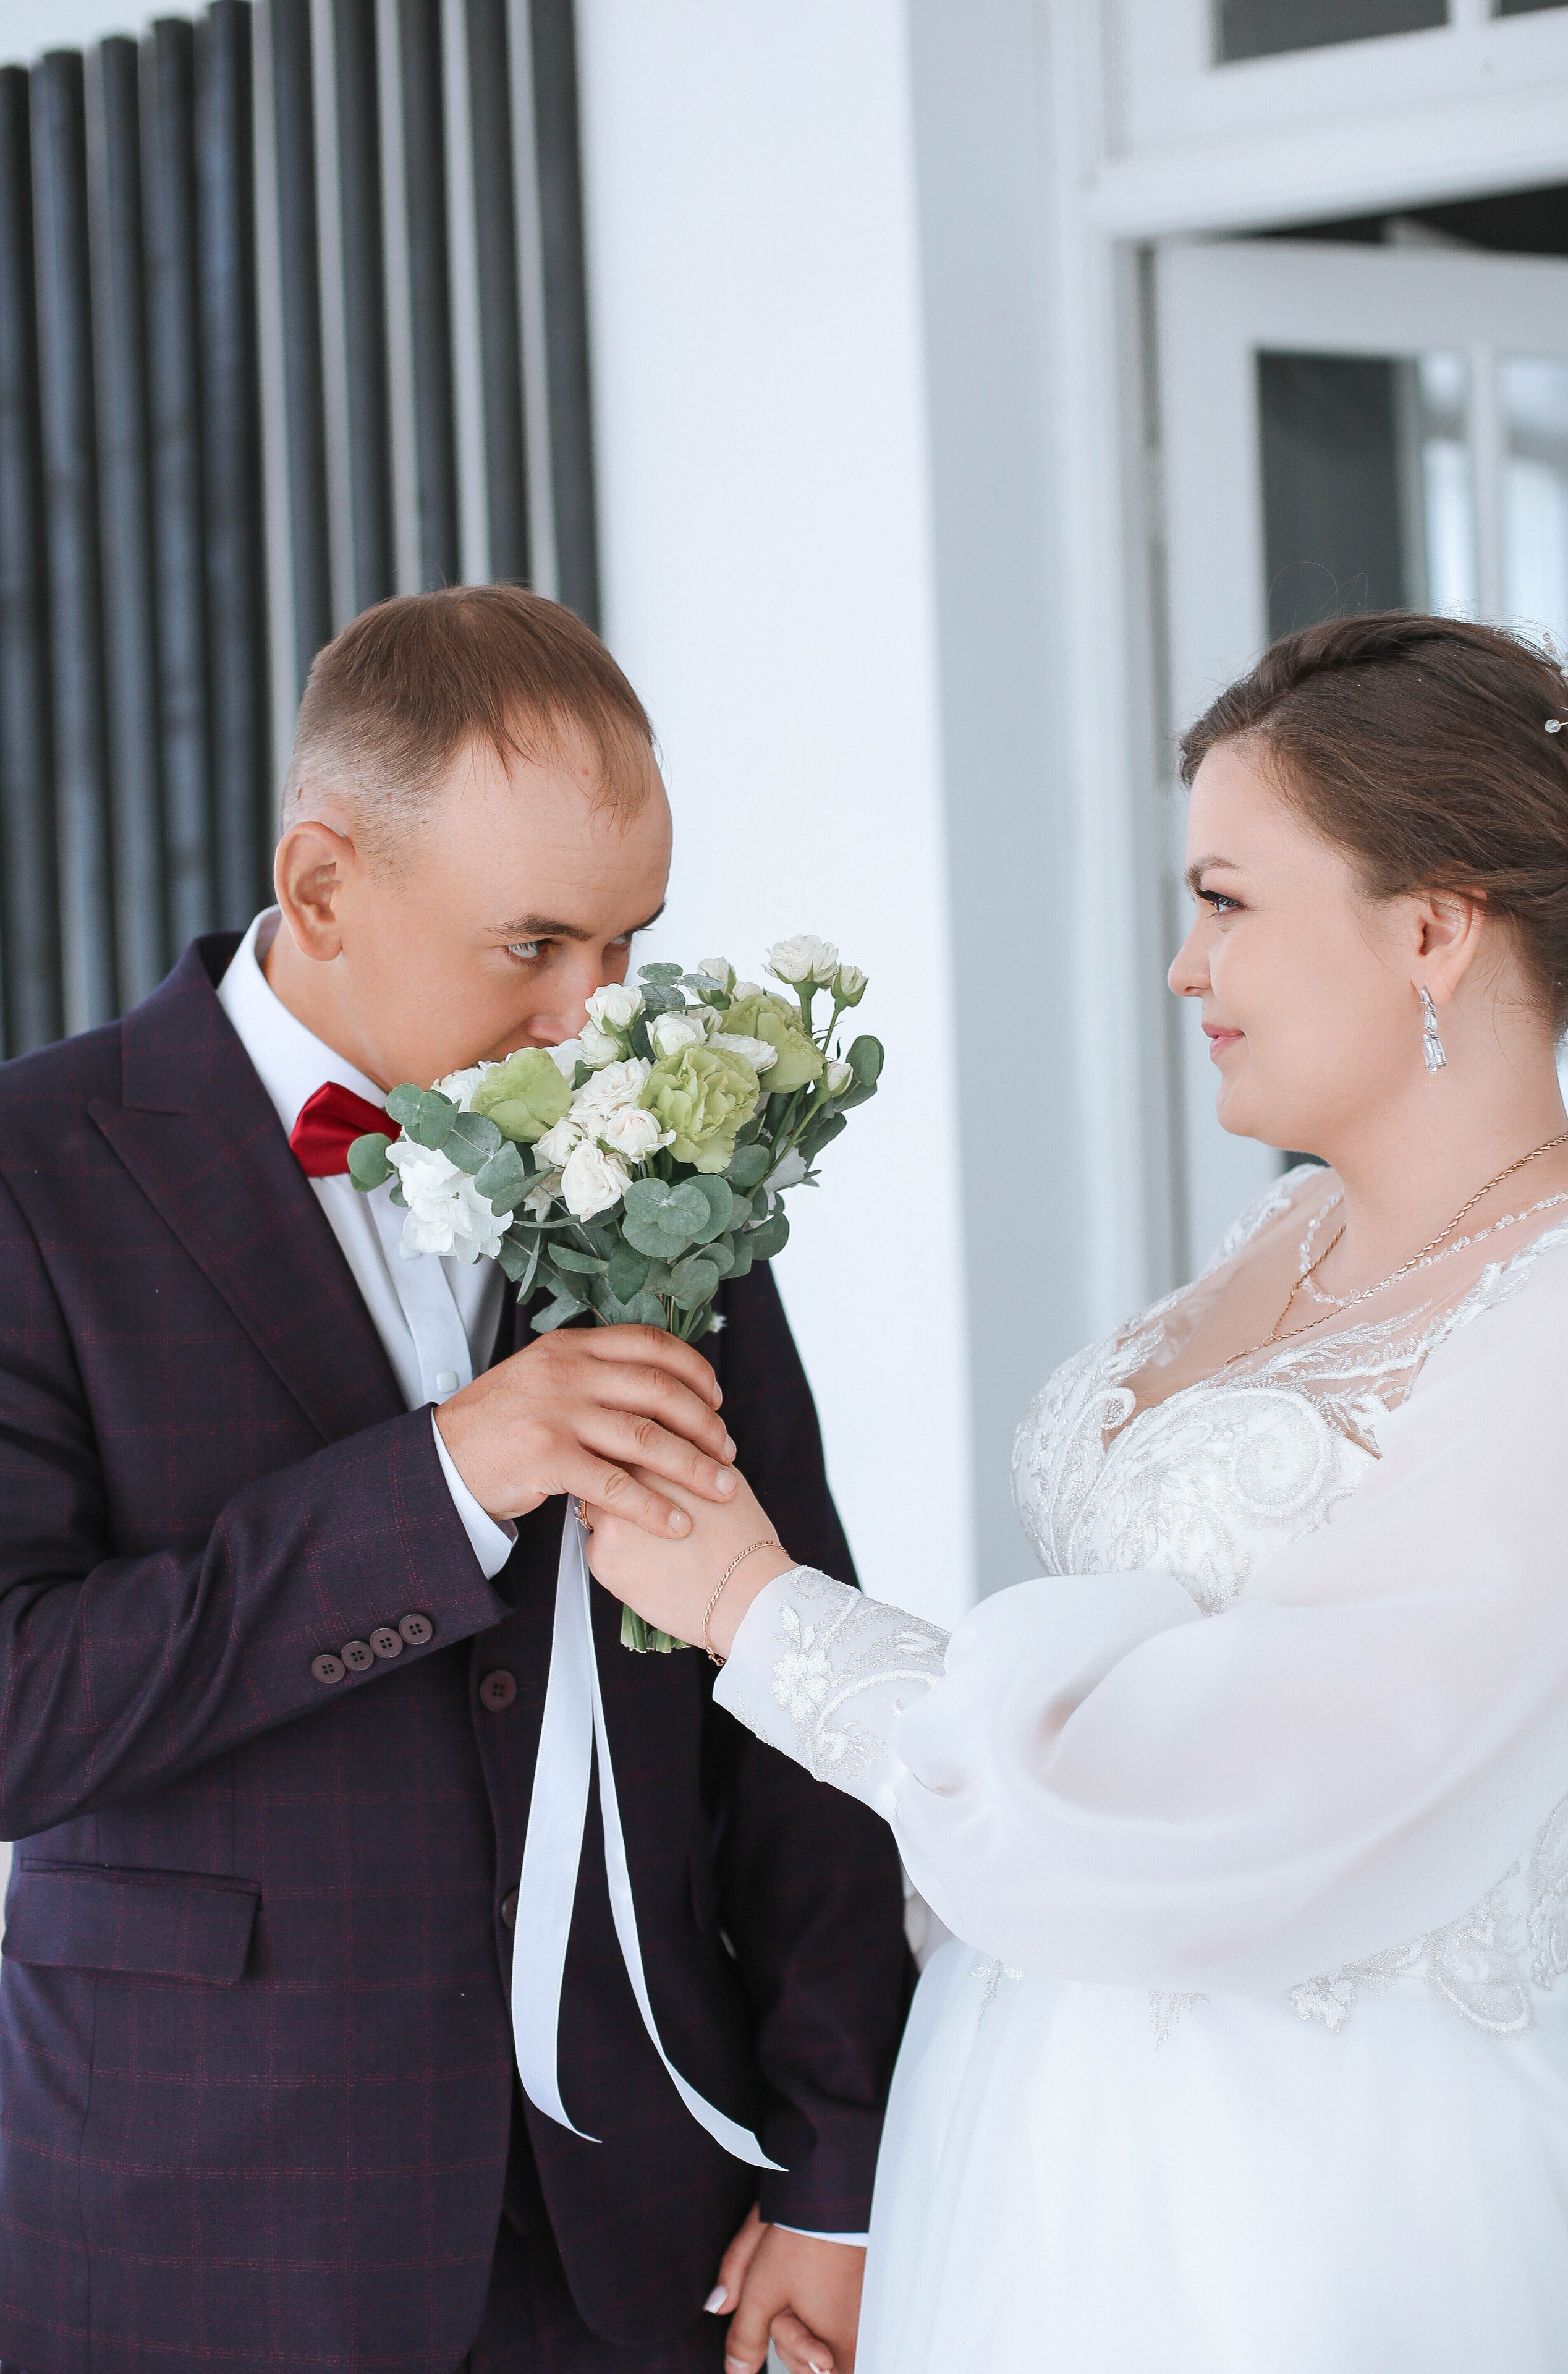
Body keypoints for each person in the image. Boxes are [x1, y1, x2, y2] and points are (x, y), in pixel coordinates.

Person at [584, 612, 1568, 2373]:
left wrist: (761, 1611)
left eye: (1228, 901)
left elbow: (1234, 1782)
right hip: (1033, 2123)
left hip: (1309, 2199)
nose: (1187, 969)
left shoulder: (1558, 1326)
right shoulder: (1293, 1227)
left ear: (1433, 928)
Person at [0, 587, 914, 2374]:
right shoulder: (33, 1175)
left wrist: (841, 2176)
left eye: (632, 942)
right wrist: (440, 1486)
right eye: (536, 946)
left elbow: (797, 1690)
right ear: (323, 886)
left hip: (648, 2243)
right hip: (201, 2239)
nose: (599, 1017)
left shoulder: (674, 1163)